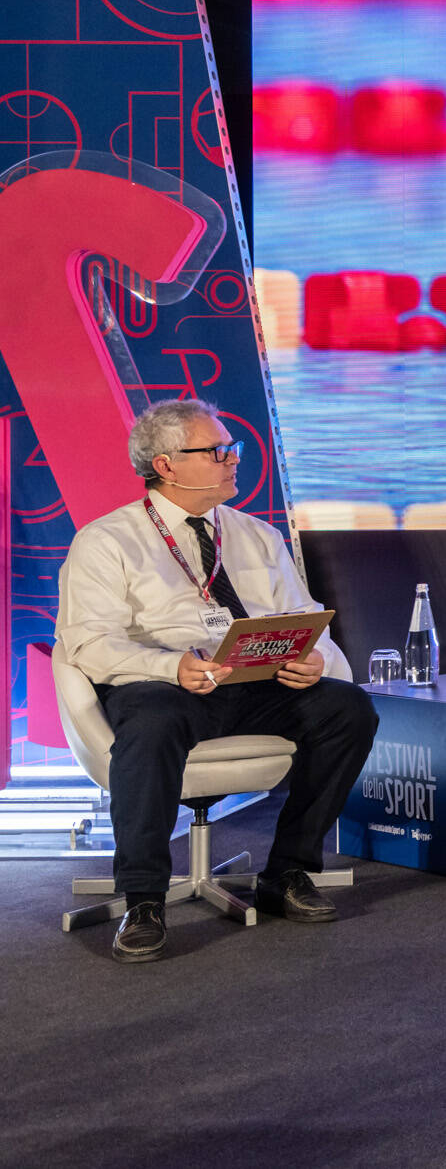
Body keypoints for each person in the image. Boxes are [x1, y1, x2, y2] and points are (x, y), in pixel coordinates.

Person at [54, 399, 378, 963]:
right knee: (152, 722)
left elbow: (305, 615)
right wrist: (169, 667)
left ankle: (290, 871)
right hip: (161, 682)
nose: (233, 461)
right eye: (218, 452)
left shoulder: (256, 535)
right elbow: (88, 643)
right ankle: (144, 899)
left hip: (255, 681)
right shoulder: (106, 540)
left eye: (233, 449)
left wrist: (316, 659)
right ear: (167, 465)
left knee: (348, 708)